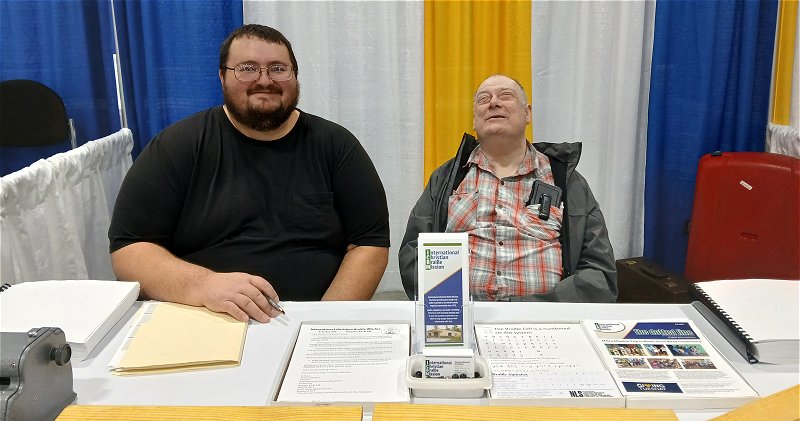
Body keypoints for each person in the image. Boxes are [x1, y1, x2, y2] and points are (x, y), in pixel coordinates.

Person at [109, 24, 390, 323]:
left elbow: (369, 243)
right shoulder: (177, 147)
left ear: (295, 76)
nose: (264, 80)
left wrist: (324, 322)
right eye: (247, 68)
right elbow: (129, 249)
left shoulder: (336, 146)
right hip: (204, 317)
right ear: (222, 76)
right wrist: (203, 285)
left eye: (278, 69)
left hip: (315, 321)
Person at [399, 74, 616, 302]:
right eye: (484, 99)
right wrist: (453, 307)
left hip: (547, 324)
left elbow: (599, 273)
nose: (494, 102)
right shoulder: (446, 179)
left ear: (528, 113)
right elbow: (413, 253)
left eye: (506, 96)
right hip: (462, 320)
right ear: (474, 120)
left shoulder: (566, 181)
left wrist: (533, 309)